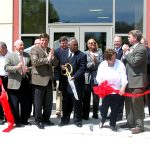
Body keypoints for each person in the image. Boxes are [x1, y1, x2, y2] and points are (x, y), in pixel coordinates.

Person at [121, 30, 147, 134]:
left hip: (137, 81)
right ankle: (130, 122)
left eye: (129, 37)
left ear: (135, 38)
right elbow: (126, 62)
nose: (127, 39)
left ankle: (139, 126)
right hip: (129, 81)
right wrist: (125, 54)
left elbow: (135, 62)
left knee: (137, 104)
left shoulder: (142, 49)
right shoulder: (131, 48)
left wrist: (127, 52)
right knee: (128, 104)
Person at [30, 33, 58, 129]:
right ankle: (38, 121)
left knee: (48, 103)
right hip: (38, 80)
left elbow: (56, 63)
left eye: (46, 40)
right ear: (40, 40)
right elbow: (35, 62)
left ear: (48, 41)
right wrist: (47, 59)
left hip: (49, 80)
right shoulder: (34, 49)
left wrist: (53, 58)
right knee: (38, 103)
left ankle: (46, 119)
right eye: (42, 40)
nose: (44, 42)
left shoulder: (50, 50)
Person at [96, 48, 128, 131]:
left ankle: (112, 124)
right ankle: (102, 120)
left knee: (115, 109)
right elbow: (98, 77)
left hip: (116, 90)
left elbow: (123, 76)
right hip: (106, 90)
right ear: (107, 58)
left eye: (114, 57)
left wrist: (123, 87)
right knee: (104, 108)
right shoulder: (102, 64)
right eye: (111, 59)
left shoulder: (120, 63)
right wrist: (102, 84)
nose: (113, 60)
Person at [58, 37, 87, 127]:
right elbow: (59, 64)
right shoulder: (63, 53)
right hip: (65, 84)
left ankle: (77, 120)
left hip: (77, 83)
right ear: (69, 45)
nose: (76, 46)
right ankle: (65, 119)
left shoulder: (82, 55)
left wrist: (74, 77)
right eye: (74, 44)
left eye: (77, 44)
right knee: (66, 103)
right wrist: (61, 67)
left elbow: (82, 69)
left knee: (77, 102)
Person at [4, 39, 32, 127]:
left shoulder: (27, 55)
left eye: (23, 45)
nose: (22, 47)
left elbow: (31, 66)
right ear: (15, 46)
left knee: (26, 103)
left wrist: (28, 69)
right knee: (14, 105)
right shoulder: (10, 56)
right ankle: (17, 121)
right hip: (14, 83)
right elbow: (6, 68)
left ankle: (24, 120)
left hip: (25, 82)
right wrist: (16, 67)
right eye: (20, 45)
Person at [82, 38, 103, 120]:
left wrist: (96, 62)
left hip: (96, 78)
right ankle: (85, 115)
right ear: (87, 45)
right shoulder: (84, 53)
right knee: (86, 97)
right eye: (90, 43)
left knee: (96, 98)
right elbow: (84, 65)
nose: (92, 44)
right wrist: (93, 63)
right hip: (87, 78)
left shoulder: (100, 52)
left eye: (94, 43)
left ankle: (95, 114)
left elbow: (101, 65)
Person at [54, 36, 69, 118]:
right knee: (59, 93)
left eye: (65, 42)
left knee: (67, 94)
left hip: (68, 76)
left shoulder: (70, 50)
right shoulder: (56, 52)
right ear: (60, 43)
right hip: (58, 76)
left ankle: (65, 110)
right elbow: (55, 63)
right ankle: (58, 111)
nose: (64, 44)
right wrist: (60, 66)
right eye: (62, 43)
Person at [0, 41, 10, 125]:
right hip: (0, 78)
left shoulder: (11, 56)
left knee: (10, 98)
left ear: (4, 48)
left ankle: (9, 116)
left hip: (9, 79)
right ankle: (0, 116)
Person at [141, 37, 150, 116]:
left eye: (141, 43)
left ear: (145, 44)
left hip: (148, 78)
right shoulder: (141, 52)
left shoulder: (149, 51)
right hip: (141, 79)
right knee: (141, 98)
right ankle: (141, 114)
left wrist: (142, 63)